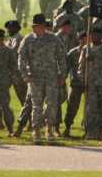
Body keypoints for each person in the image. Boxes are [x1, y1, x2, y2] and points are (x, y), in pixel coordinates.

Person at [18, 14, 67, 143]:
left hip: (51, 77)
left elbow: (61, 57)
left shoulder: (54, 39)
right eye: (37, 26)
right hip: (35, 78)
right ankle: (36, 130)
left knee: (51, 104)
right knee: (36, 106)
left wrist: (62, 75)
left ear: (44, 26)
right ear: (33, 27)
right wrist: (25, 74)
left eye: (41, 26)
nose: (39, 28)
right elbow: (21, 58)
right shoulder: (28, 40)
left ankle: (49, 129)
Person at [78, 27, 102, 139]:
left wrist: (95, 58)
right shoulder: (86, 49)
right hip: (91, 83)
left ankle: (100, 131)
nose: (95, 37)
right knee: (91, 108)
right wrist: (82, 81)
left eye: (98, 35)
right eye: (93, 35)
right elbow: (81, 67)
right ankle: (90, 131)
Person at [62, 31, 87, 138]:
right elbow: (66, 68)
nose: (85, 40)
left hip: (90, 84)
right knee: (72, 107)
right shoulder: (73, 53)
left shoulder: (93, 50)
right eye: (83, 38)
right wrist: (63, 78)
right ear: (79, 39)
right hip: (76, 83)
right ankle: (67, 127)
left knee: (90, 108)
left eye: (87, 38)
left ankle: (88, 129)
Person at [4, 20, 27, 106]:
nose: (8, 30)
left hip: (18, 73)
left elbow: (13, 53)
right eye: (8, 28)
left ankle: (31, 117)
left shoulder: (18, 38)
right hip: (13, 72)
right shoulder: (12, 38)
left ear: (16, 28)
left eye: (10, 28)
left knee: (23, 96)